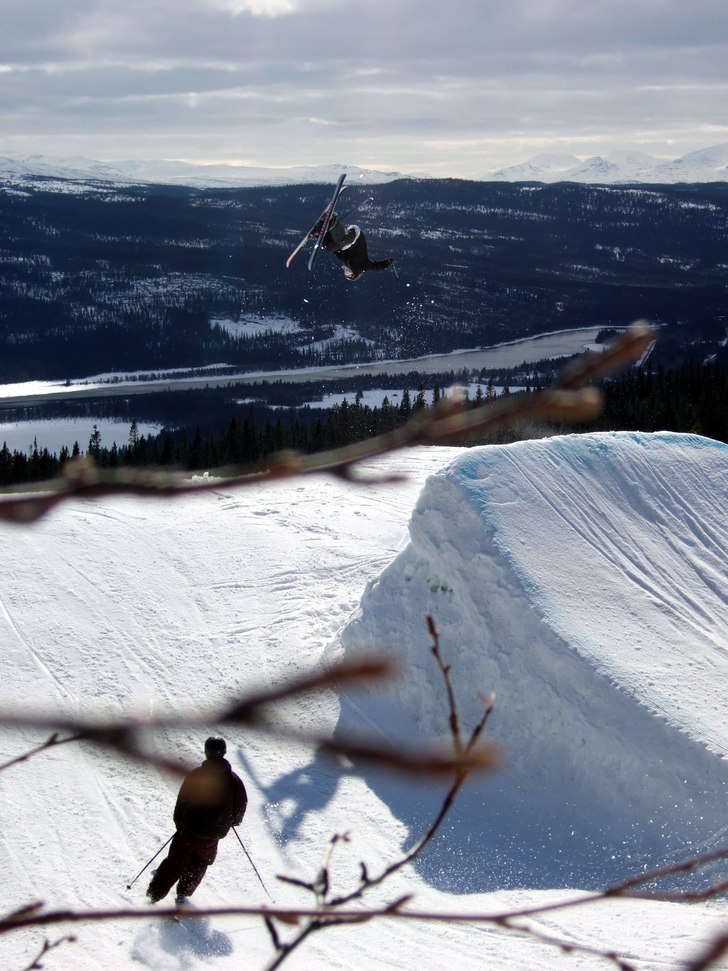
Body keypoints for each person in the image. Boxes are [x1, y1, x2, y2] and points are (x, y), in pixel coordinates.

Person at [146, 737, 248, 905]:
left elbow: (183, 801)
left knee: (176, 862)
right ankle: (183, 893)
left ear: (206, 752)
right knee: (199, 863)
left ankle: (154, 894)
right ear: (224, 753)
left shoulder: (197, 775)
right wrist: (233, 821)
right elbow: (241, 805)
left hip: (189, 830)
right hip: (212, 836)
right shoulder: (234, 781)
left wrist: (179, 823)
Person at [312, 212, 396, 282]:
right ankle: (333, 221)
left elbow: (335, 251)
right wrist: (388, 263)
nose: (345, 270)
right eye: (347, 273)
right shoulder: (362, 267)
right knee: (341, 241)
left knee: (328, 247)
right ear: (353, 275)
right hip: (355, 237)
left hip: (348, 242)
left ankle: (321, 229)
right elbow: (376, 266)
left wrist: (320, 239)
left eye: (345, 272)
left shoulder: (345, 260)